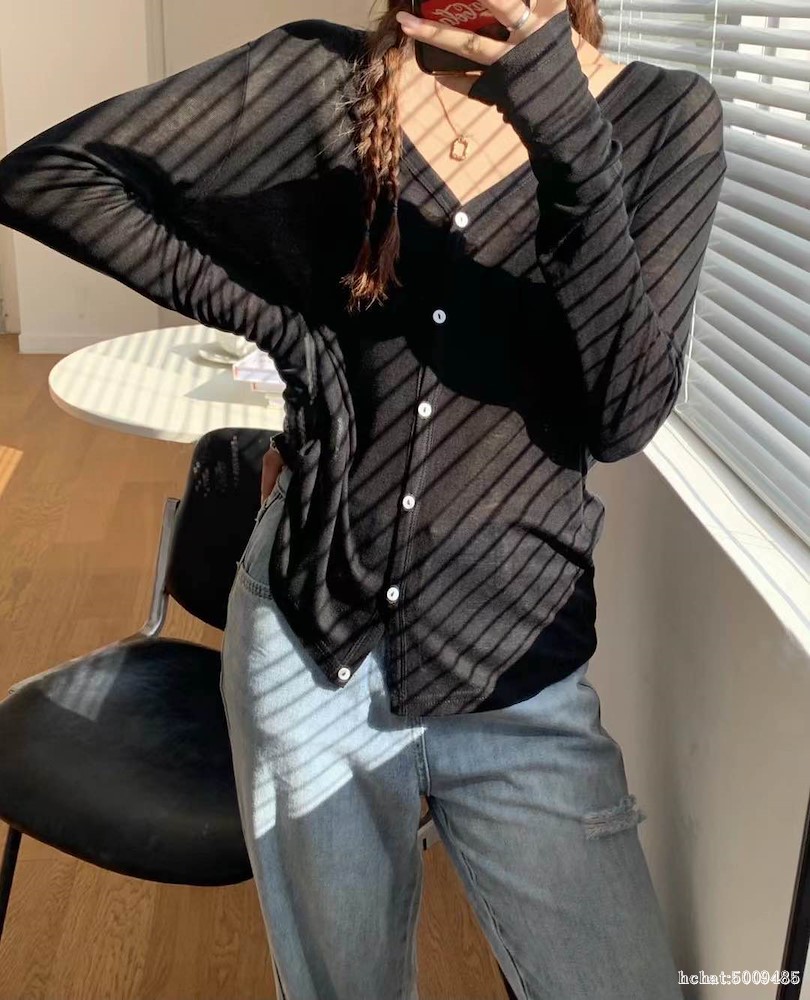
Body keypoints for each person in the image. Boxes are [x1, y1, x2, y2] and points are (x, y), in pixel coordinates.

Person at [0, 1, 726, 997]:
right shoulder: (320, 78)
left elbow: (625, 413)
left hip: (517, 676)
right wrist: (289, 333)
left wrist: (556, 107)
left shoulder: (665, 117)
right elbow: (51, 175)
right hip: (310, 649)